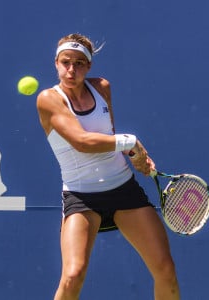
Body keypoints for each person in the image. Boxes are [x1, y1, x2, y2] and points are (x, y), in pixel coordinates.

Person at [36, 33, 180, 300]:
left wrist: (135, 156)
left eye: (79, 63)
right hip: (80, 196)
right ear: (56, 63)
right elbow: (82, 141)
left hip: (123, 189)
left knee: (166, 269)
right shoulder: (48, 99)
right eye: (66, 62)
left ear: (88, 66)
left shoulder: (101, 87)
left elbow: (109, 136)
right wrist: (131, 141)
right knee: (72, 275)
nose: (71, 69)